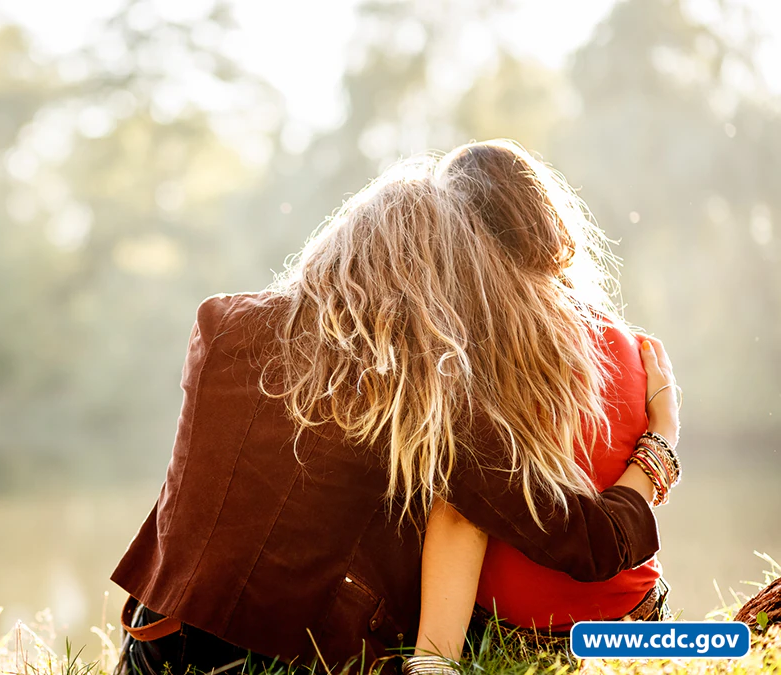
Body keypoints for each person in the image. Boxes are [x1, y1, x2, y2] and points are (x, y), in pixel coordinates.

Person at [111, 140, 680, 674]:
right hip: (302, 661)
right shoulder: (428, 388)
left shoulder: (222, 323)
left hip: (155, 644)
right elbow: (591, 543)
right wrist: (661, 441)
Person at [408, 141, 681, 674]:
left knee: (451, 490)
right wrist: (665, 437)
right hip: (638, 620)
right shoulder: (627, 344)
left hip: (525, 639)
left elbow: (465, 517)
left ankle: (432, 661)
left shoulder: (471, 356)